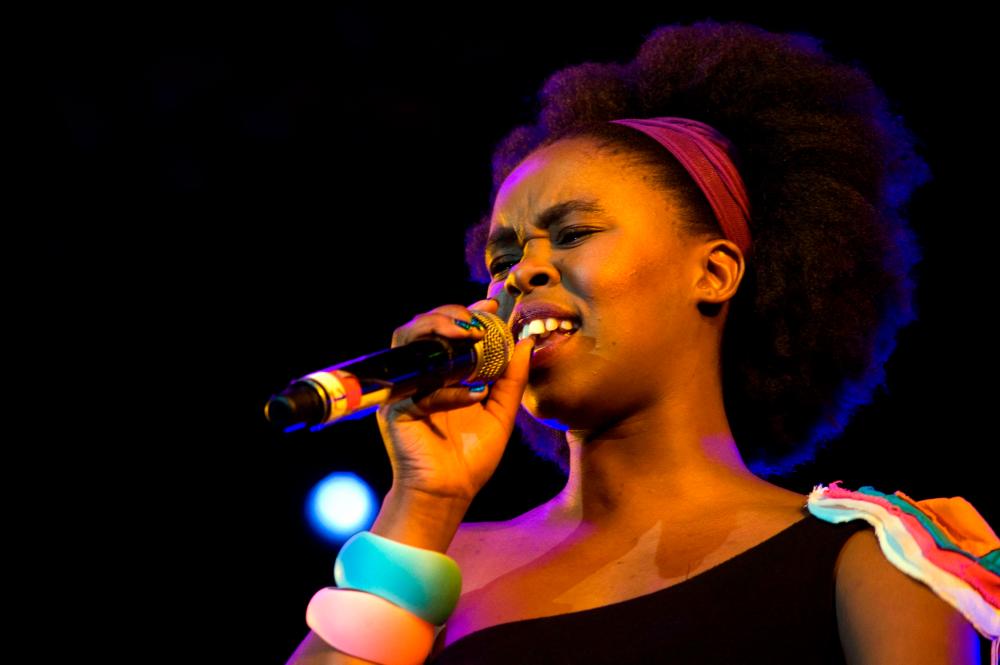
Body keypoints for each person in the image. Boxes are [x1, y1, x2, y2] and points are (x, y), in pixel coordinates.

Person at [287, 19, 997, 664]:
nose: (520, 272)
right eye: (502, 260)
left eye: (572, 234)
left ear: (714, 272)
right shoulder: (440, 562)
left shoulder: (869, 557)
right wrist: (426, 499)